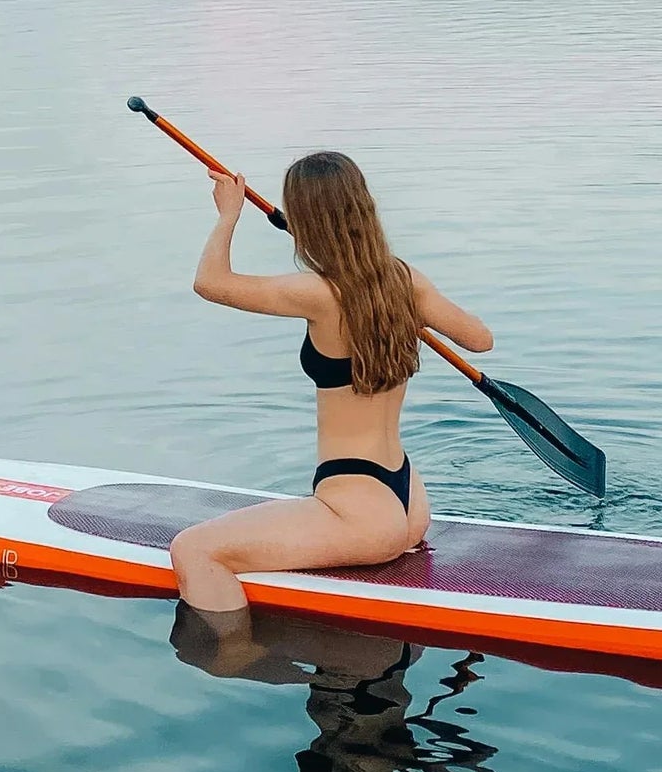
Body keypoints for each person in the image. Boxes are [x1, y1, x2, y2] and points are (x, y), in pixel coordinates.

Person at [168, 152, 494, 613]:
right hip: (409, 502)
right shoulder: (405, 280)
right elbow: (479, 340)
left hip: (359, 510)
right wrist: (406, 308)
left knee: (194, 549)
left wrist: (228, 214)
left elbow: (210, 282)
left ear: (304, 222)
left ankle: (237, 657)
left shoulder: (317, 293)